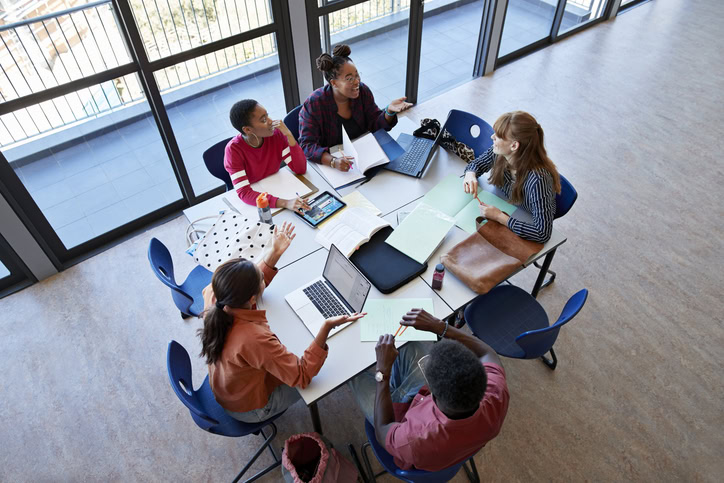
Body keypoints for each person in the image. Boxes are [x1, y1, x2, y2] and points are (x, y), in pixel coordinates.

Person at [198, 221, 366, 422]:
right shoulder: (252, 339)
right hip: (248, 408)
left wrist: (274, 253)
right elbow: (302, 375)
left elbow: (247, 287)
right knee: (327, 380)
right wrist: (326, 327)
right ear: (251, 299)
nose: (263, 278)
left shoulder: (215, 294)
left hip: (228, 386)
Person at [349, 308, 509, 472]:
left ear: (432, 392)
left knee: (351, 371)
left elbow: (383, 433)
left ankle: (386, 385)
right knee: (408, 344)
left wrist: (382, 372)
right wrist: (440, 327)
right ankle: (395, 389)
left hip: (401, 431)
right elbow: (488, 353)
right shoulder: (496, 391)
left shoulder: (413, 440)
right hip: (446, 437)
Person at [298, 44, 412, 171]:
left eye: (357, 75)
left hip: (366, 157)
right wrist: (333, 162)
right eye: (349, 79)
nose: (357, 81)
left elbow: (375, 124)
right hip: (335, 166)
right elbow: (307, 145)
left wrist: (389, 112)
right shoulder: (315, 103)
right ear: (334, 83)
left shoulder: (362, 91)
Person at [463, 110, 561, 243]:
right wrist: (470, 175)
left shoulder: (538, 180)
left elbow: (542, 233)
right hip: (504, 202)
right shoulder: (500, 153)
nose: (492, 137)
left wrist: (500, 217)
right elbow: (477, 164)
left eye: (498, 136)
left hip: (523, 218)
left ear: (514, 145)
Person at [225, 99, 310, 212]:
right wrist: (285, 203)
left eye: (267, 115)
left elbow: (300, 169)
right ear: (248, 129)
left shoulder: (276, 135)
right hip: (256, 198)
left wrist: (289, 135)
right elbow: (244, 193)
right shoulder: (233, 150)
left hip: (276, 184)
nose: (271, 121)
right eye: (264, 120)